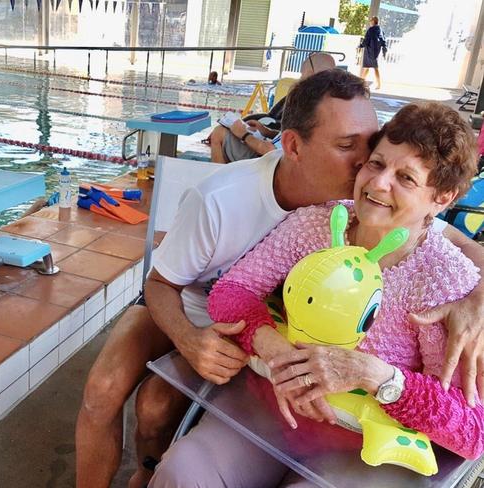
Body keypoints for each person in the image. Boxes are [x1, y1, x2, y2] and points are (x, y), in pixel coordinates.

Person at [75, 70, 484, 488]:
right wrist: (260, 347)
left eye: (402, 174)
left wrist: (374, 373)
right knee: (143, 425)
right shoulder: (290, 215)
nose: (370, 173)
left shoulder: (436, 270)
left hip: (364, 439)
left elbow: (472, 425)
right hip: (208, 329)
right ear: (293, 146)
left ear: (441, 198)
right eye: (360, 153)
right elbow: (203, 288)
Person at [209, 52, 336, 164]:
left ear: (310, 73)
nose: (300, 79)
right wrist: (266, 131)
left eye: (302, 75)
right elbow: (291, 138)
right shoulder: (328, 105)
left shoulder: (308, 106)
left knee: (219, 133)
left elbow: (272, 151)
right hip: (279, 158)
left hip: (273, 164)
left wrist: (243, 134)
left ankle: (221, 184)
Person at [360, 16, 388, 90]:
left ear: (373, 21)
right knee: (369, 67)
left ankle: (377, 84)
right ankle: (361, 83)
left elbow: (366, 39)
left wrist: (361, 45)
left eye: (370, 20)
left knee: (370, 67)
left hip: (370, 51)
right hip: (376, 51)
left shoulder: (371, 29)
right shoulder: (380, 30)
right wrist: (384, 48)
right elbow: (383, 40)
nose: (370, 22)